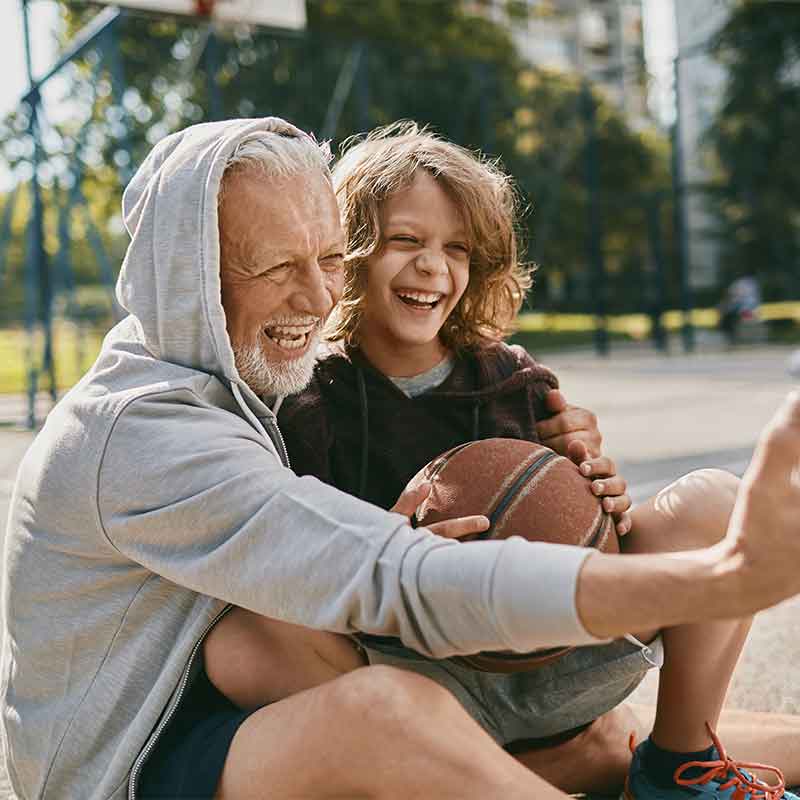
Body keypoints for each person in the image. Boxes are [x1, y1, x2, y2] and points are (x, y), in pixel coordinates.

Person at [3, 117, 800, 800]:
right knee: (367, 701)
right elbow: (384, 571)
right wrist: (723, 578)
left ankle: (661, 759)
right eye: (278, 265)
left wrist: (582, 488)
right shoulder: (147, 431)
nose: (318, 301)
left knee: (552, 730)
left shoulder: (238, 378)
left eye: (325, 260)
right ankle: (541, 760)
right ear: (187, 277)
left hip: (348, 696)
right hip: (138, 764)